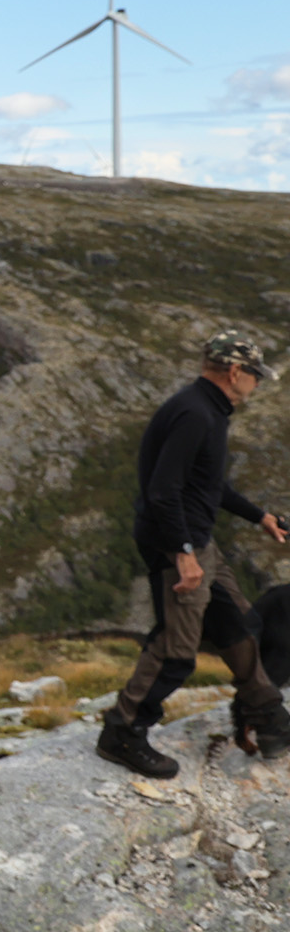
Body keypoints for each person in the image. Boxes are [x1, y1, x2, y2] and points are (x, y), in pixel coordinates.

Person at [98, 330, 290, 777]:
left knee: (241, 625)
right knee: (176, 650)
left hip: (200, 542)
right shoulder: (195, 414)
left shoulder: (210, 410)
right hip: (179, 544)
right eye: (255, 376)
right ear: (235, 372)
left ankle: (268, 715)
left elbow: (206, 484)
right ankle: (121, 732)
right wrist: (183, 554)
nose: (258, 384)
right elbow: (163, 491)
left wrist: (258, 516)